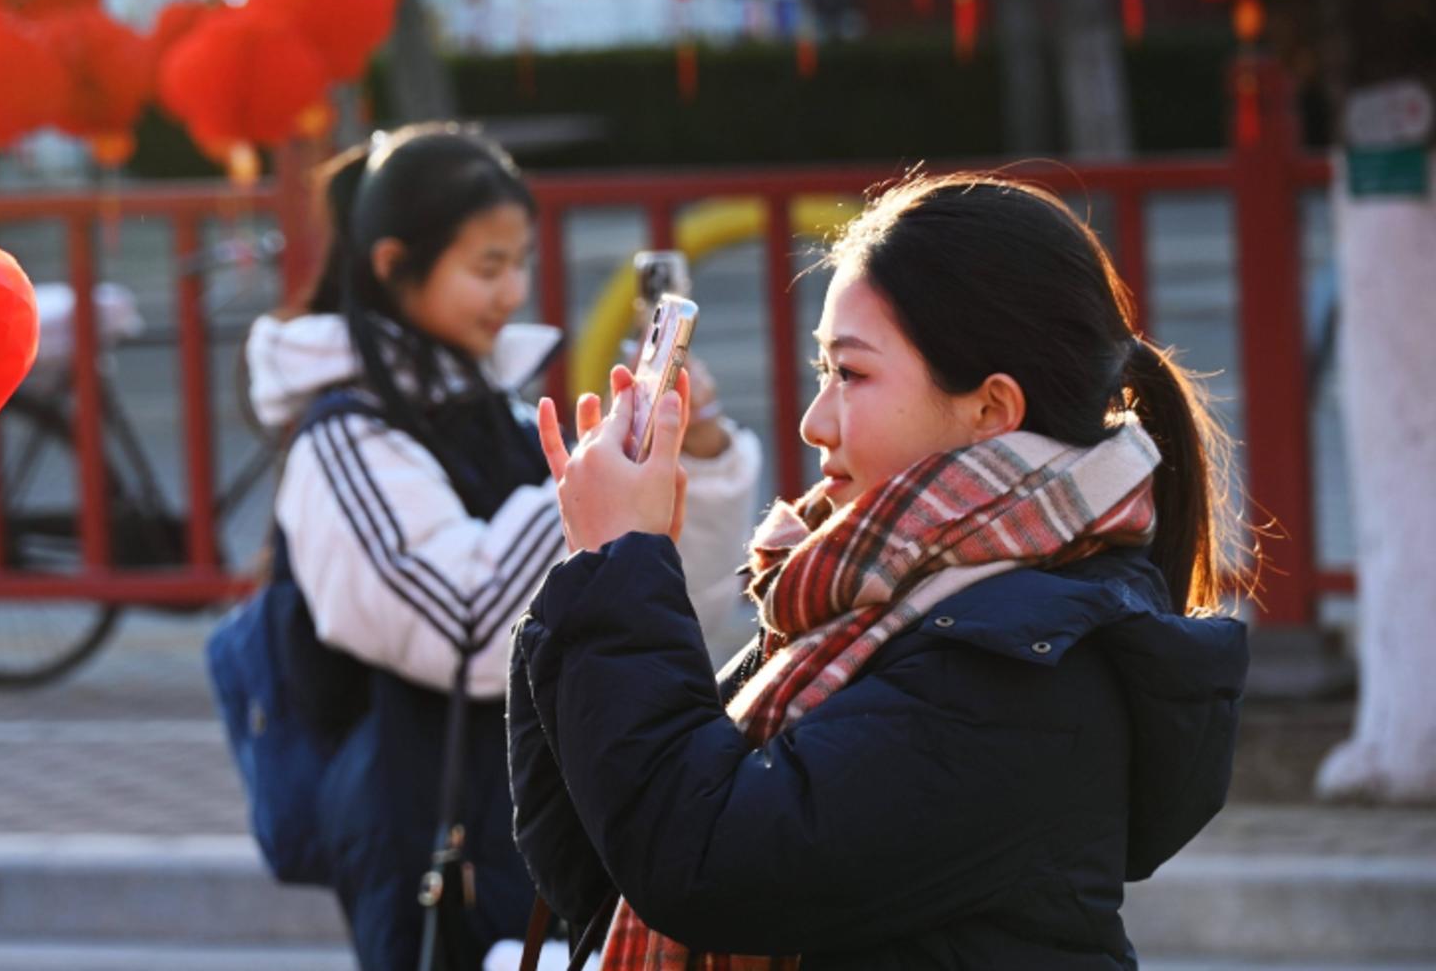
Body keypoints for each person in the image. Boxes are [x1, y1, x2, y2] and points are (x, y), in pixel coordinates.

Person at [509, 174, 1250, 970]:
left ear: (990, 410)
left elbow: (710, 868)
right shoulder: (858, 602)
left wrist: (618, 572)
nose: (814, 419)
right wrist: (594, 575)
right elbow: (601, 866)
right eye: (822, 370)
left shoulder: (1029, 662)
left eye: (851, 375)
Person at [243, 125, 760, 970]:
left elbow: (673, 611)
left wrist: (686, 457)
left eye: (518, 263)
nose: (510, 291)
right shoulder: (341, 440)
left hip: (539, 826)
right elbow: (467, 632)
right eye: (486, 267)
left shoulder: (503, 420)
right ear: (392, 264)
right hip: (425, 834)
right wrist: (586, 502)